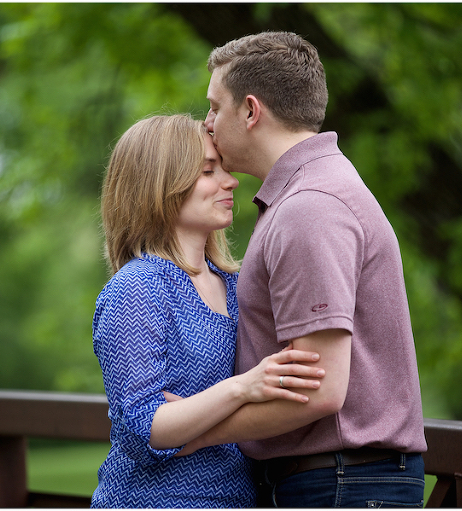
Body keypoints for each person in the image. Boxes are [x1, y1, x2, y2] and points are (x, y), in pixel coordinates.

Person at [180, 31, 428, 507]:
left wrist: (194, 430)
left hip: (342, 483)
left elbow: (320, 392)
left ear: (251, 111)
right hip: (340, 480)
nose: (207, 123)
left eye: (214, 107)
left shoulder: (309, 208)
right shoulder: (310, 194)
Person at [90, 114, 326, 508]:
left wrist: (190, 411)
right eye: (207, 170)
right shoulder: (138, 287)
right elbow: (141, 428)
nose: (231, 181)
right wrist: (241, 387)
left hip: (237, 498)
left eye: (224, 168)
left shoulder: (236, 285)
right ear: (160, 184)